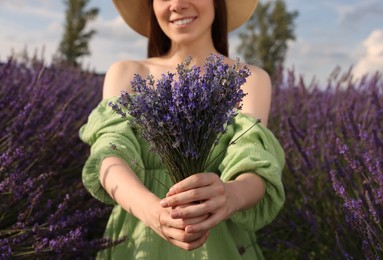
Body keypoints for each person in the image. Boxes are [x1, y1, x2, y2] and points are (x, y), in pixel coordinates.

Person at [79, 0, 285, 259]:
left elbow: (255, 164)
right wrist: (154, 213)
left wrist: (229, 196)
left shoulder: (248, 79)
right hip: (138, 241)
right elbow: (109, 156)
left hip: (220, 245)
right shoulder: (127, 73)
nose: (177, 4)